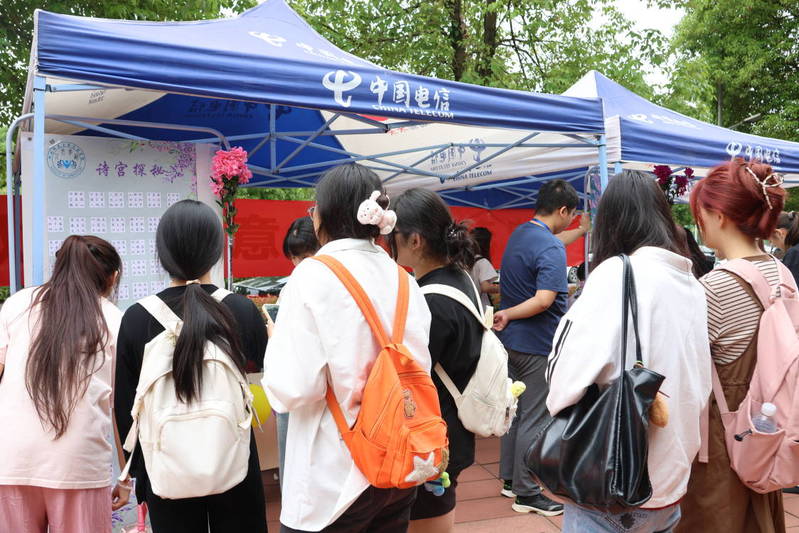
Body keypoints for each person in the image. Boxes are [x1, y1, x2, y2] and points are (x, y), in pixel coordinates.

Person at [263, 163, 433, 532]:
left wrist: (275, 345)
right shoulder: (405, 280)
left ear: (324, 215)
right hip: (399, 460)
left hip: (332, 475)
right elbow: (419, 367)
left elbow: (294, 390)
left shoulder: (311, 275)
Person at [546, 170, 712, 532]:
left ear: (610, 222)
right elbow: (700, 383)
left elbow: (565, 380)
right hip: (670, 475)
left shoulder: (617, 274)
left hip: (612, 478)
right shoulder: (692, 283)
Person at [115, 200, 267, 533]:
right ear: (216, 251)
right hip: (234, 459)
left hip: (165, 464)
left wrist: (138, 472)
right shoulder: (242, 311)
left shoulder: (136, 318)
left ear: (162, 253)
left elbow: (125, 406)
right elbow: (260, 383)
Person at [678, 158, 787, 533]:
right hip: (767, 425)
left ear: (718, 215)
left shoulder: (715, 288)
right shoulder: (781, 272)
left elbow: (681, 370)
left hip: (722, 439)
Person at [0, 235, 128, 533]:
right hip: (79, 464)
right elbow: (120, 408)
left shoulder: (18, 304)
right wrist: (125, 476)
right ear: (112, 277)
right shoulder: (111, 318)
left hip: (12, 460)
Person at [391, 188, 482, 533]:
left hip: (433, 436)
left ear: (414, 240)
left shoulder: (430, 301)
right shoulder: (460, 278)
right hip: (454, 425)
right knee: (439, 505)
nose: (388, 243)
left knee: (428, 516)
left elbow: (413, 375)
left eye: (392, 235)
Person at [492, 178, 578, 516]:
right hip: (537, 344)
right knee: (534, 417)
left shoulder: (520, 235)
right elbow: (544, 300)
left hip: (511, 343)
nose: (571, 221)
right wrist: (509, 314)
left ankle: (510, 479)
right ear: (562, 210)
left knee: (514, 413)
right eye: (571, 215)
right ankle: (527, 493)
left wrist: (507, 316)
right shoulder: (551, 247)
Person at [272, 216, 320, 487]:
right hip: (298, 387)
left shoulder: (318, 283)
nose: (299, 264)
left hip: (311, 388)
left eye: (305, 256)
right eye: (294, 257)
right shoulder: (291, 286)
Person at [469, 227, 499, 310]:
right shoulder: (482, 261)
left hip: (469, 306)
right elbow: (485, 287)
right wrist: (502, 289)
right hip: (482, 309)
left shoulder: (464, 260)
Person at [770, 211, 799, 283]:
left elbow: (789, 286)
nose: (772, 244)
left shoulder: (794, 253)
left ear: (779, 233)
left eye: (771, 240)